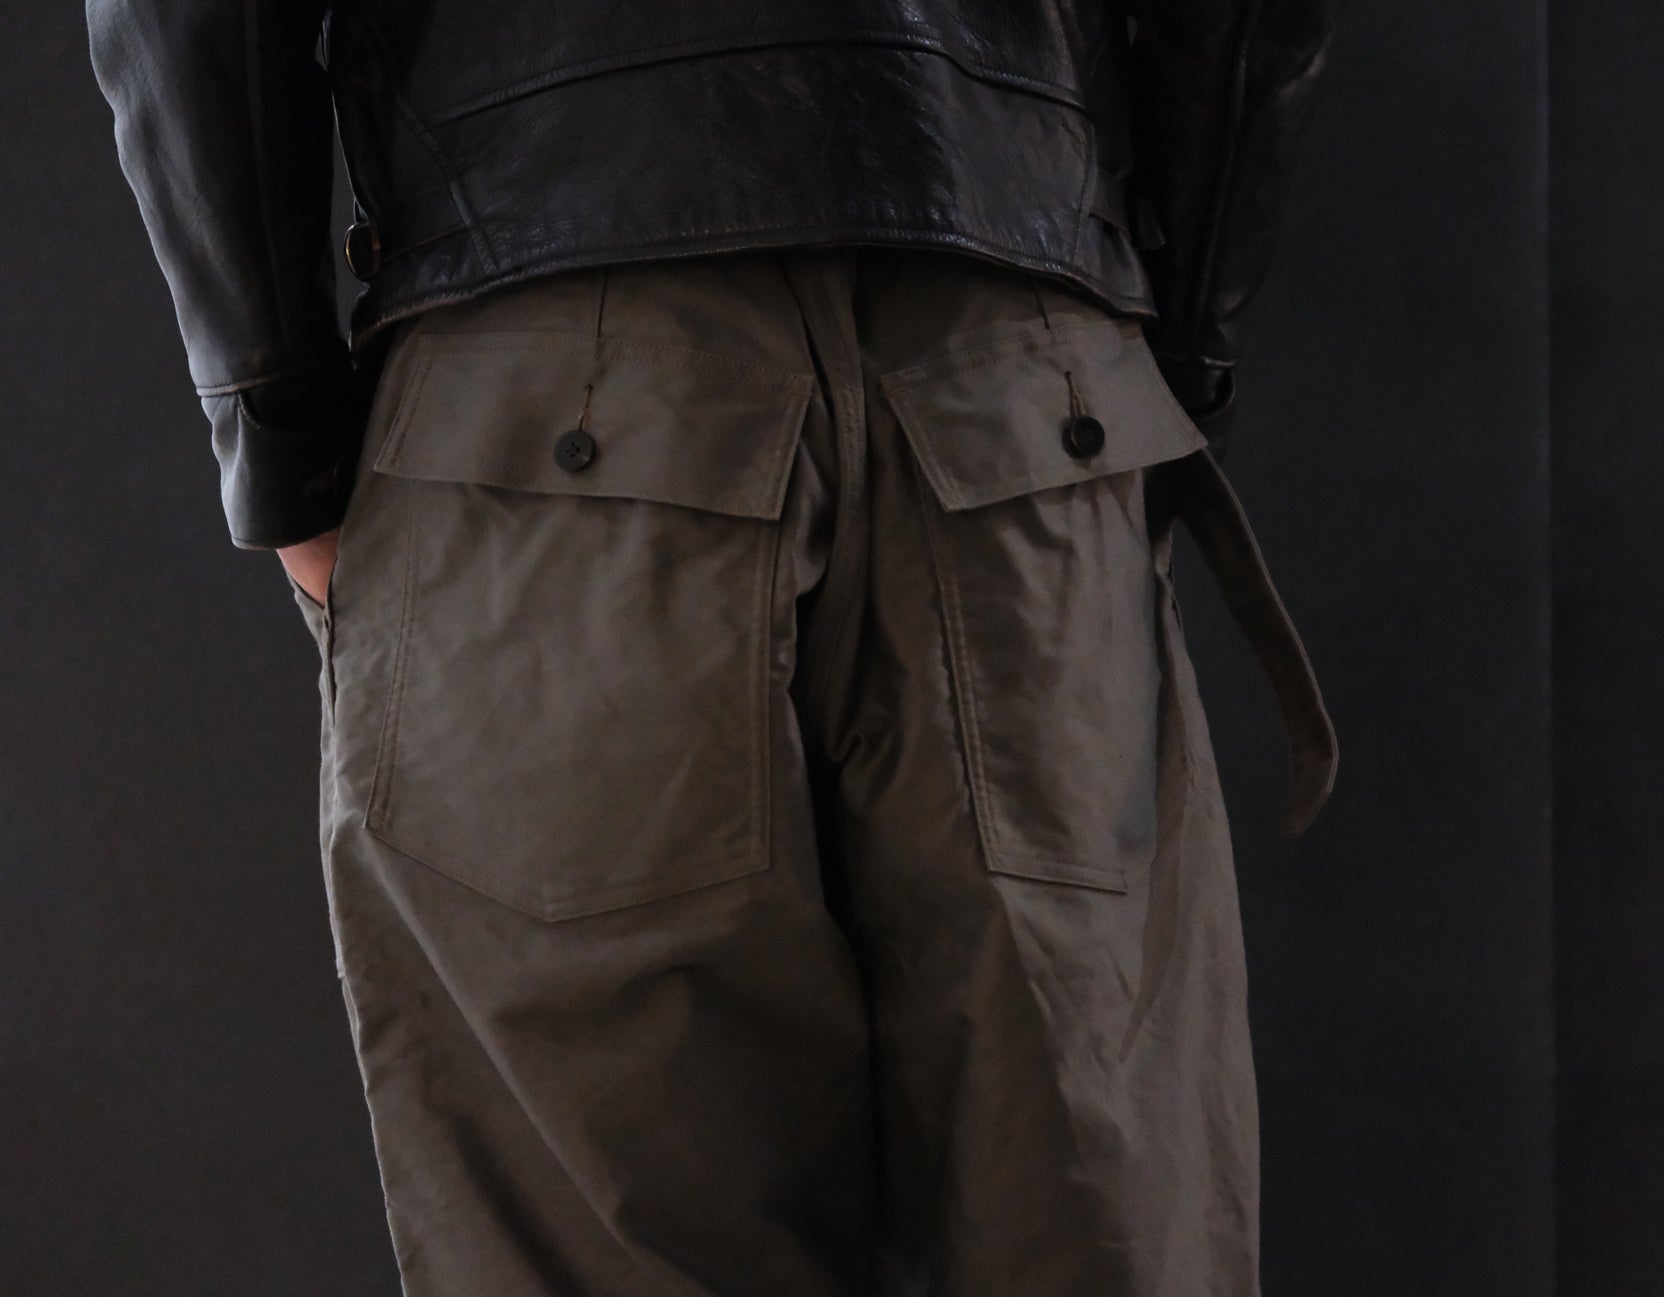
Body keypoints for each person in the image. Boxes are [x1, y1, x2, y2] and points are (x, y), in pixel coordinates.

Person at [86, 3, 1341, 1293]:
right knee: (1090, 1229)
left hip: (543, 401)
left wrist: (282, 438)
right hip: (1021, 389)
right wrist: (1173, 364)